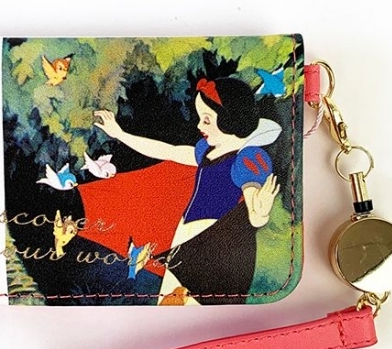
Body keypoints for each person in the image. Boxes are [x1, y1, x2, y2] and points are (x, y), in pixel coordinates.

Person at [94, 77, 281, 305]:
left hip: (215, 241)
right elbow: (168, 151)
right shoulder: (206, 151)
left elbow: (254, 211)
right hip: (185, 234)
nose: (200, 126)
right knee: (169, 300)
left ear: (229, 120)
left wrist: (261, 213)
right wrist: (120, 134)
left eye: (207, 119)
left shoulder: (247, 158)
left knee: (196, 303)